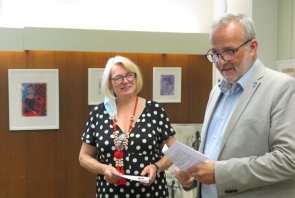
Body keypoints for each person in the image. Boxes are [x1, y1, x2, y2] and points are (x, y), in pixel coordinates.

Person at [175, 13, 295, 198]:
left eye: (229, 51)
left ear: (252, 47)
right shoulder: (216, 91)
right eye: (215, 53)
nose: (221, 61)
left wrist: (219, 173)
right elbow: (213, 155)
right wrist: (192, 175)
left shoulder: (282, 88)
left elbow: (289, 159)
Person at [79, 55, 176, 198]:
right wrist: (103, 168)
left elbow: (174, 152)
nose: (125, 81)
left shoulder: (154, 110)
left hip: (152, 192)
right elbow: (83, 157)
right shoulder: (98, 113)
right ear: (110, 84)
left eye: (129, 75)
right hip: (110, 193)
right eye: (118, 78)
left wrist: (156, 167)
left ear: (136, 77)